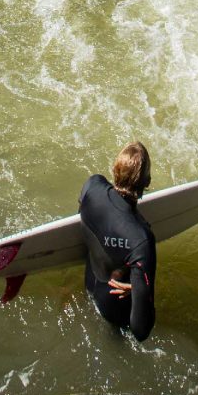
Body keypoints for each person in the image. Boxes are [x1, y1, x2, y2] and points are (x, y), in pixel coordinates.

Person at [79, 142, 156, 341]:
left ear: (115, 170)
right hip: (114, 311)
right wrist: (138, 289)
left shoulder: (92, 187)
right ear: (147, 182)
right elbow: (141, 330)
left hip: (89, 285)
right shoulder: (141, 241)